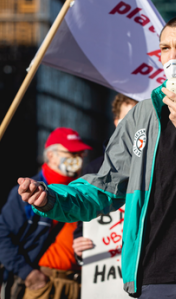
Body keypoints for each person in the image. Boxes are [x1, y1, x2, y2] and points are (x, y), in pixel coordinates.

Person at [17, 13, 176, 298]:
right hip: (153, 279)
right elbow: (103, 188)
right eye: (165, 48)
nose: (172, 57)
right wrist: (52, 198)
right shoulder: (143, 114)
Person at [0, 128, 93, 299]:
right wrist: (28, 274)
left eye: (81, 153)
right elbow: (0, 235)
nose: (79, 158)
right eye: (72, 152)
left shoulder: (85, 191)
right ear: (51, 155)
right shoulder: (29, 192)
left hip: (81, 284)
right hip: (44, 285)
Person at [73, 93, 138, 261]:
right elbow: (85, 222)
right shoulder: (94, 169)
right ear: (117, 123)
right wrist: (80, 246)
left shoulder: (163, 163)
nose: (135, 124)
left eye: (140, 117)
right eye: (128, 118)